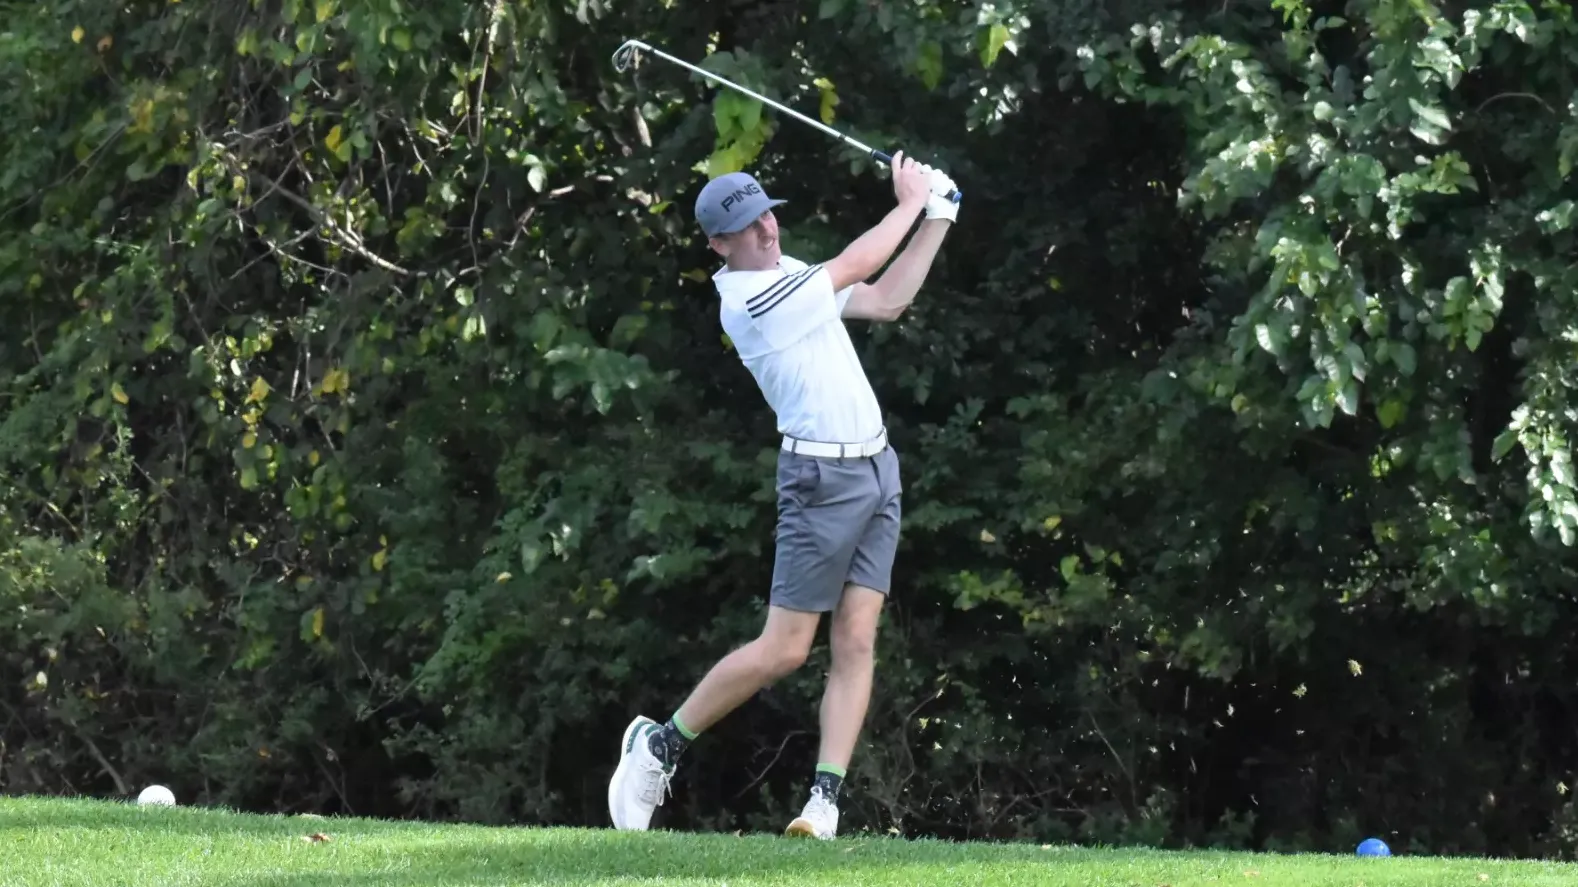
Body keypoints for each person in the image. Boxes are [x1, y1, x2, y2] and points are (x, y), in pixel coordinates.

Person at [607, 153, 958, 840]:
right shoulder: (748, 300)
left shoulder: (788, 272)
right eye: (746, 225)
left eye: (766, 214)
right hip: (821, 482)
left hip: (876, 467)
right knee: (786, 649)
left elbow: (887, 300)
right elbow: (858, 264)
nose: (766, 229)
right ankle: (661, 744)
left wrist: (937, 220)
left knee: (857, 638)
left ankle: (824, 803)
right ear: (718, 243)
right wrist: (910, 201)